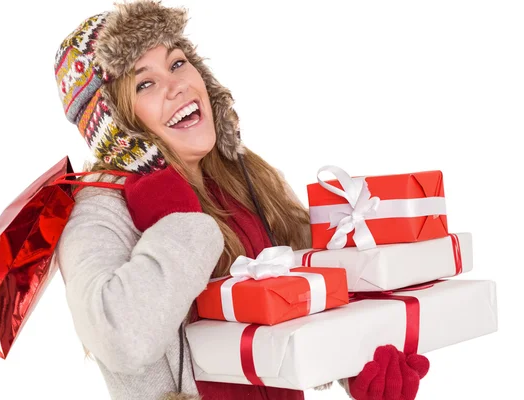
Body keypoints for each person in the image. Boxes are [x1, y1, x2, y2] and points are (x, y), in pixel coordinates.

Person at [53, 1, 427, 399]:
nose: (176, 85)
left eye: (177, 63)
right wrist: (178, 223)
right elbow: (121, 338)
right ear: (117, 125)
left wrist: (355, 363)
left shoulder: (245, 179)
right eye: (145, 83)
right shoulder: (99, 211)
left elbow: (310, 294)